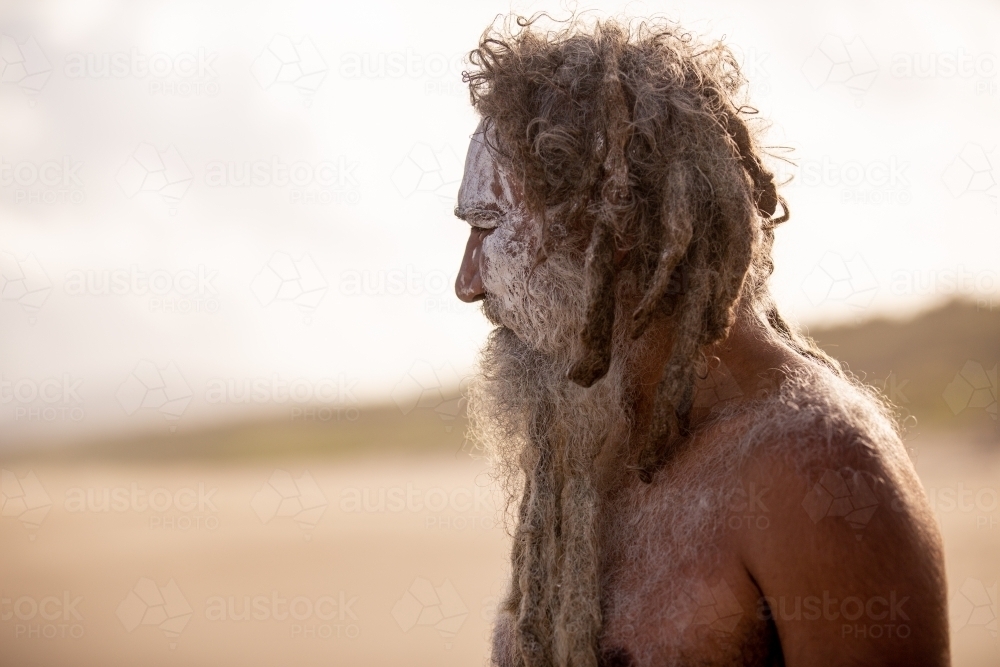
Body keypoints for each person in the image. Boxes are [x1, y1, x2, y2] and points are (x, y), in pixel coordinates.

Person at [452, 14, 949, 667]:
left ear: (612, 219)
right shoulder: (593, 446)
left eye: (489, 226)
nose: (466, 282)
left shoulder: (816, 475)